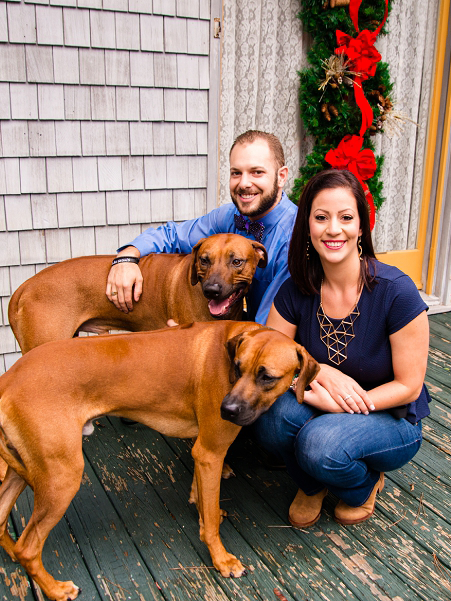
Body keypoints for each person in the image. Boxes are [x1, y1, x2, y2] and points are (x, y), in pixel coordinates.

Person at [253, 169, 431, 527]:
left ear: (361, 227)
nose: (333, 229)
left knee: (320, 445)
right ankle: (311, 483)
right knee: (270, 419)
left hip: (389, 414)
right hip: (320, 400)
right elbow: (268, 360)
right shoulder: (296, 290)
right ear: (308, 228)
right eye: (321, 218)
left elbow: (409, 386)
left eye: (346, 217)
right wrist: (322, 372)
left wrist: (343, 405)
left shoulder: (396, 291)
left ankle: (362, 487)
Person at [105, 130, 296, 325]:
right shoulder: (230, 216)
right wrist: (127, 257)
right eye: (236, 173)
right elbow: (173, 236)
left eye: (257, 172)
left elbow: (271, 328)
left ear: (281, 177)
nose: (244, 183)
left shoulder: (293, 238)